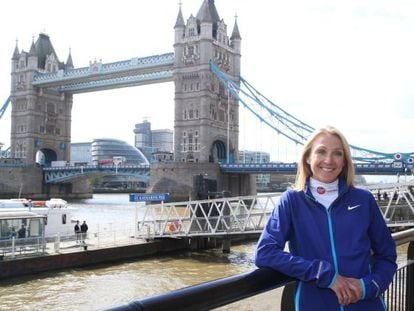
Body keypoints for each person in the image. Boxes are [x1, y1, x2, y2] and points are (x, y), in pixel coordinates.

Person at [255, 125, 397, 310]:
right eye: (321, 151)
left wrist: (368, 286)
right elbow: (265, 253)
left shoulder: (364, 200)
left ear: (344, 161)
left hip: (366, 305)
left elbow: (387, 255)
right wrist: (322, 273)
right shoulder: (291, 201)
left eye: (337, 153)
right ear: (307, 157)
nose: (329, 160)